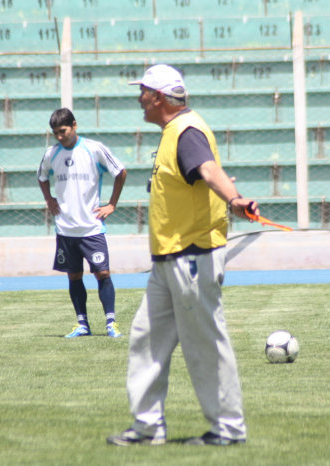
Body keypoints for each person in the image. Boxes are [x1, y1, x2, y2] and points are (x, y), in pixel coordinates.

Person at [107, 64, 258, 447]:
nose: (138, 99)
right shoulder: (176, 131)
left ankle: (228, 428)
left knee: (205, 342)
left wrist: (235, 199)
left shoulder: (186, 132)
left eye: (142, 92)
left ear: (158, 98)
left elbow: (208, 170)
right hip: (168, 260)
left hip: (191, 257)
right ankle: (147, 427)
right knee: (144, 338)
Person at [37, 108, 127, 338]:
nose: (59, 137)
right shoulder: (51, 154)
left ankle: (111, 324)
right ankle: (82, 324)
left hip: (91, 228)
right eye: (55, 133)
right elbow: (42, 176)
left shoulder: (93, 149)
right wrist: (49, 199)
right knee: (74, 276)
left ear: (74, 125)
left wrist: (112, 204)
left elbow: (121, 172)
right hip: (66, 229)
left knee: (103, 273)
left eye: (63, 131)